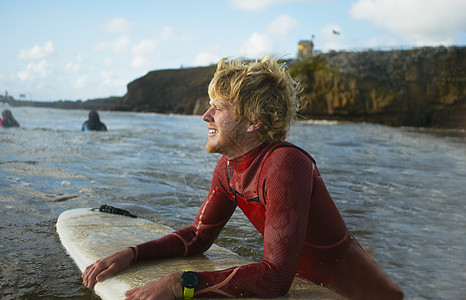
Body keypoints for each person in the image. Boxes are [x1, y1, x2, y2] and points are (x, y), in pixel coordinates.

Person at [82, 57, 403, 299]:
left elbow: (276, 278)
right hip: (308, 288)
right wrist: (132, 254)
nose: (205, 117)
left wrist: (183, 284)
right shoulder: (228, 168)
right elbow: (197, 237)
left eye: (218, 108)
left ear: (253, 121)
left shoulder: (285, 164)